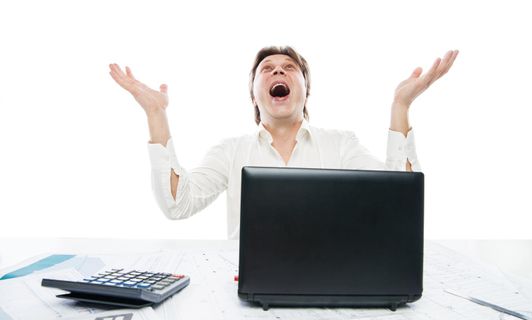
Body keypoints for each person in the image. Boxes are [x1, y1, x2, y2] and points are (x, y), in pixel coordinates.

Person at [109, 46, 458, 239]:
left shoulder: (341, 144)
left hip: (329, 281)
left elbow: (397, 201)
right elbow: (176, 205)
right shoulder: (230, 151)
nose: (278, 72)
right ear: (255, 94)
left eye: (290, 68)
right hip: (245, 292)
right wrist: (156, 114)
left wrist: (401, 106)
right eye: (267, 69)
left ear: (306, 90)